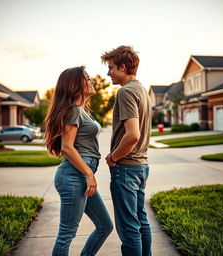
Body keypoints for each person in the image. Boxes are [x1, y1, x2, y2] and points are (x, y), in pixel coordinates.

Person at [44, 66, 113, 256]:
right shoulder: (73, 110)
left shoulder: (81, 110)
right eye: (87, 78)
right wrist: (89, 173)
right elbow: (67, 147)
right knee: (66, 234)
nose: (92, 81)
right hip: (74, 176)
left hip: (79, 176)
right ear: (75, 84)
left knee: (105, 226)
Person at [101, 46, 152, 256]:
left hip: (127, 168)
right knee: (141, 221)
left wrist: (114, 157)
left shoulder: (126, 92)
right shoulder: (142, 90)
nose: (108, 73)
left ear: (123, 67)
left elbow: (132, 135)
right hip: (141, 166)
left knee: (129, 226)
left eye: (111, 68)